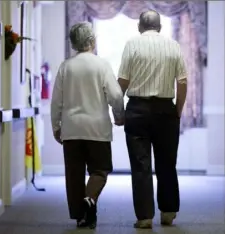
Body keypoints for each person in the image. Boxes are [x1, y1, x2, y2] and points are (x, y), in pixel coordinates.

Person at [117, 10, 188, 229]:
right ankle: (168, 212)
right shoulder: (173, 46)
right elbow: (183, 82)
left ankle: (145, 217)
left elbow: (122, 82)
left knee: (141, 165)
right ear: (160, 27)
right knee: (167, 163)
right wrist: (177, 110)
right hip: (166, 110)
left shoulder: (132, 44)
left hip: (137, 109)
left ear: (139, 26)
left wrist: (119, 112)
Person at [50, 22, 124, 229]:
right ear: (92, 41)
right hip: (97, 129)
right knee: (100, 170)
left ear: (73, 43)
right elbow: (116, 95)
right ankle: (89, 198)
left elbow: (56, 101)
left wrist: (56, 126)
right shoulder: (101, 65)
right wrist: (119, 115)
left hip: (72, 129)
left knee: (74, 174)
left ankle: (81, 216)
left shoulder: (66, 67)